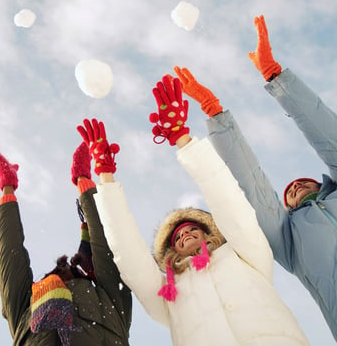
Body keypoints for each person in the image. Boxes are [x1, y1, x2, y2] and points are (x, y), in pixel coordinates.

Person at [173, 15, 337, 346]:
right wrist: (216, 116)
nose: (293, 188)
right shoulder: (288, 240)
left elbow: (335, 139)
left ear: (323, 184)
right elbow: (252, 187)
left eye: (301, 183)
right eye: (288, 193)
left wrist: (277, 78)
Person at [76, 77, 309, 346]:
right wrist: (105, 176)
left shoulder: (246, 255)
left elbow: (228, 202)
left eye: (191, 229)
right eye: (177, 236)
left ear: (210, 233)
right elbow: (129, 256)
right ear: (170, 251)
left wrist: (182, 138)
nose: (184, 233)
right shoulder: (168, 292)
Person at [0, 141, 132, 346]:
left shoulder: (107, 297)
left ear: (86, 275)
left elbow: (105, 246)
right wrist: (7, 186)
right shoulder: (29, 305)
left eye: (68, 269)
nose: (65, 272)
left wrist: (84, 181)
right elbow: (10, 256)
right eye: (60, 271)